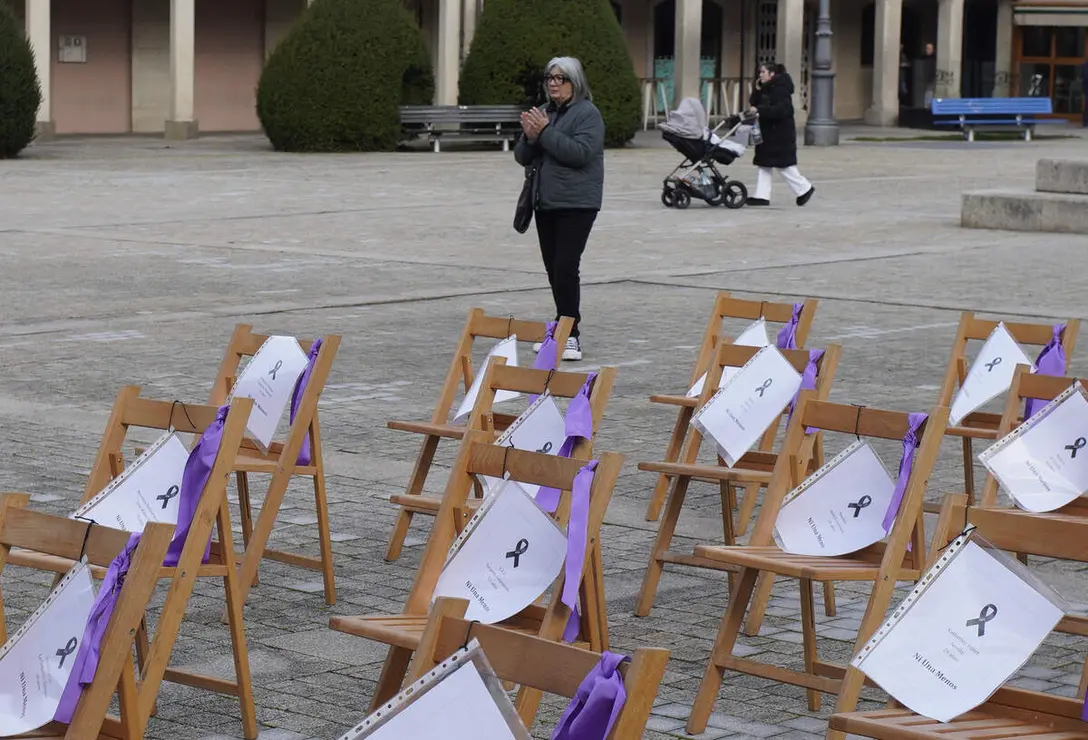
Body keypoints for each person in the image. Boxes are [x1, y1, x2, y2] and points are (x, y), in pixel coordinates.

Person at [514, 57, 605, 362]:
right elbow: (522, 156)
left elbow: (579, 154)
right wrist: (530, 138)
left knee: (566, 266)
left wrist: (544, 133)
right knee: (553, 268)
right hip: (546, 202)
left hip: (577, 203)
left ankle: (571, 335)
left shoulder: (588, 114)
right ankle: (561, 327)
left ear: (574, 82)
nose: (553, 83)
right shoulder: (543, 112)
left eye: (560, 78)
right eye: (549, 77)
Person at [744, 63, 814, 207]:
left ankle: (804, 188)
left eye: (763, 72)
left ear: (772, 74)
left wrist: (761, 110)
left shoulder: (780, 90)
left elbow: (781, 110)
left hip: (779, 134)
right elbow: (754, 103)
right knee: (764, 164)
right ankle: (761, 196)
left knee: (784, 165)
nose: (760, 75)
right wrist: (757, 90)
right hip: (768, 133)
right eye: (760, 72)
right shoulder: (766, 88)